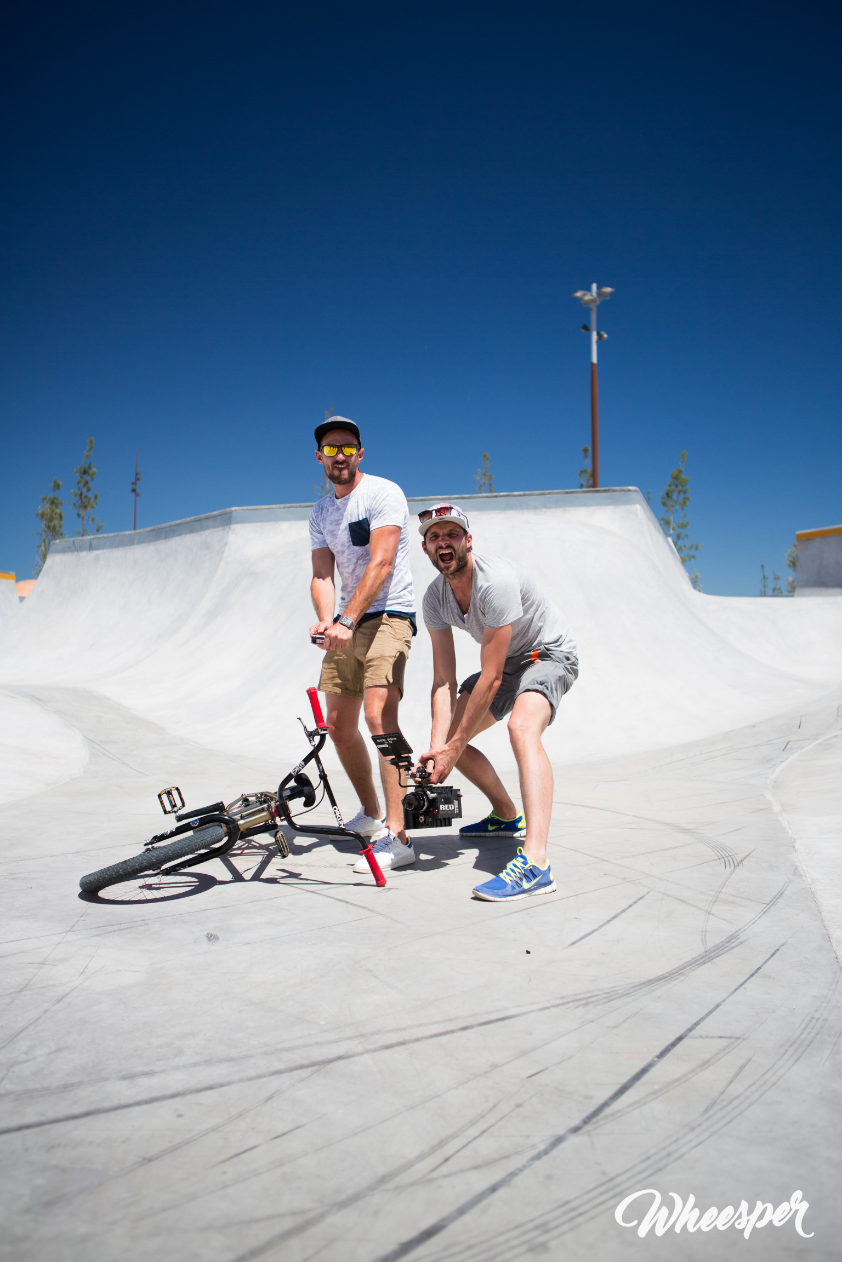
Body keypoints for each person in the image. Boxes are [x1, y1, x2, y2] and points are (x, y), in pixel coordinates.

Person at [417, 503, 578, 901]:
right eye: (434, 537)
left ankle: (536, 864)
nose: (443, 542)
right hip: (506, 662)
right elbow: (443, 679)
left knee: (521, 727)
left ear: (468, 541)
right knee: (448, 741)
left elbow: (489, 679)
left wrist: (452, 749)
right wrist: (440, 749)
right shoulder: (434, 598)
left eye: (452, 534)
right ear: (426, 549)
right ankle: (506, 816)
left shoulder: (496, 582)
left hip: (547, 654)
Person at [309, 416, 417, 872]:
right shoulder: (320, 513)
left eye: (348, 447)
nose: (341, 456)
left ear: (360, 453)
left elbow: (382, 562)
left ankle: (400, 834)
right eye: (332, 449)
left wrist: (348, 619)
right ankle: (372, 814)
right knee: (338, 725)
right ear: (320, 457)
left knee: (378, 717)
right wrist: (326, 619)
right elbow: (321, 575)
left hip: (389, 615)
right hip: (347, 622)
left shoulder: (382, 493)